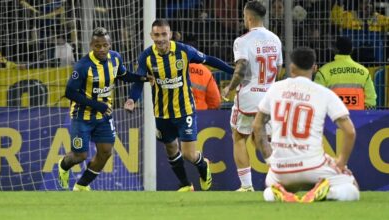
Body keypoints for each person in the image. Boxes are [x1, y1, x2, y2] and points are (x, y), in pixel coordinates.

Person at [125, 19, 234, 191]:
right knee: (170, 148)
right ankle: (185, 184)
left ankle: (203, 167)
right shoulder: (146, 56)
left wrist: (233, 71)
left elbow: (209, 60)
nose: (160, 38)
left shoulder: (184, 51)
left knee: (189, 154)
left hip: (185, 111)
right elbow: (139, 80)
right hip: (161, 113)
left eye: (164, 34)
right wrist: (132, 99)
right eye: (157, 35)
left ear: (170, 34)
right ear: (151, 35)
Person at [252, 47, 360, 203]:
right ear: (314, 67)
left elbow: (257, 126)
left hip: (281, 170)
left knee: (270, 186)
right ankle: (326, 193)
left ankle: (274, 194)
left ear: (291, 66)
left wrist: (270, 159)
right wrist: (341, 162)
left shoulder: (275, 89)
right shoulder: (323, 93)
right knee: (352, 187)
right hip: (313, 165)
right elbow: (349, 132)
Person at [57, 27, 152, 191]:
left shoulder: (115, 58)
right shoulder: (82, 66)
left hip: (104, 116)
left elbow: (123, 75)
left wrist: (143, 78)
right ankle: (63, 166)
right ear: (91, 45)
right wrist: (98, 105)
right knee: (80, 155)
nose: (101, 49)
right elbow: (69, 92)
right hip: (83, 116)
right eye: (97, 45)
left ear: (110, 45)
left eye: (104, 45)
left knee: (106, 152)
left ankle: (81, 186)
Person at [222, 0, 283, 192]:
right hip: (269, 96)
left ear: (248, 17)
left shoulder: (242, 41)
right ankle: (280, 180)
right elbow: (279, 68)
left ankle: (247, 185)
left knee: (239, 136)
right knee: (269, 140)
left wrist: (229, 88)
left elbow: (240, 69)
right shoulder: (275, 39)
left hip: (249, 97)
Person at [314, 37, 377, 110]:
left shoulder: (323, 71)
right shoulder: (364, 71)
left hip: (333, 116)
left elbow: (317, 96)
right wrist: (367, 114)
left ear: (335, 50)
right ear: (352, 49)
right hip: (358, 117)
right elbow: (371, 98)